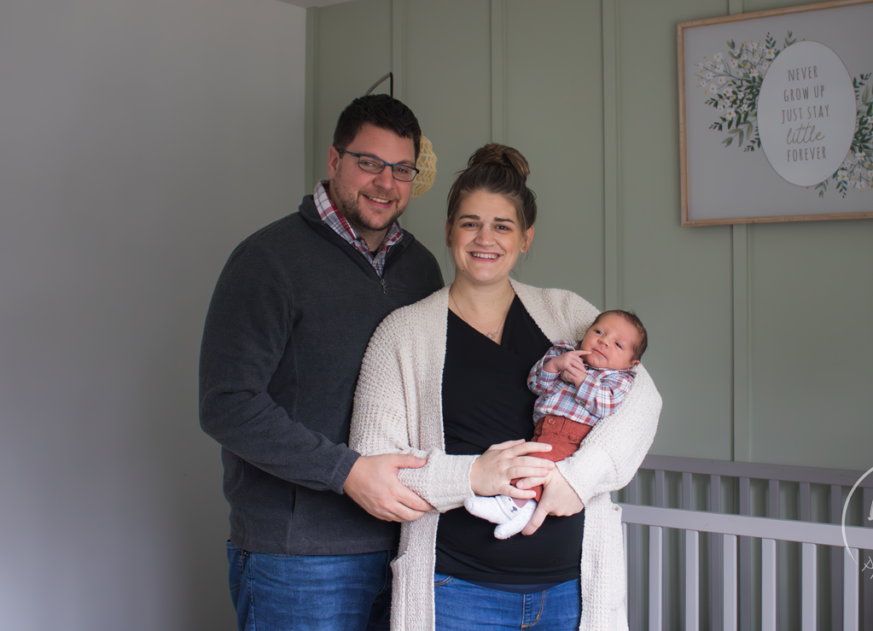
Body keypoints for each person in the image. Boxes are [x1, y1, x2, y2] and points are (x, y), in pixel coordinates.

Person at [349, 144, 662, 631]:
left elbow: (643, 400)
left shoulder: (564, 312)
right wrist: (471, 475)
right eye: (470, 222)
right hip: (456, 594)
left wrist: (576, 481)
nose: (484, 238)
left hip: (571, 593)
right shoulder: (404, 334)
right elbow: (373, 463)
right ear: (450, 229)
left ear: (526, 238)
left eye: (502, 225)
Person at [199, 94, 444, 631]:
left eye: (402, 169)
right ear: (334, 162)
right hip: (299, 557)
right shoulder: (268, 259)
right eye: (369, 163)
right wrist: (347, 472)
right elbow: (227, 405)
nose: (386, 183)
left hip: (408, 545)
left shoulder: (423, 269)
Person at [465, 309, 648, 539]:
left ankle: (510, 505)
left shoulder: (619, 378)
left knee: (537, 468)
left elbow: (605, 405)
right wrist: (554, 365)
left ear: (632, 363)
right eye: (599, 331)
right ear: (586, 332)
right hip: (545, 428)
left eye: (618, 344)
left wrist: (582, 380)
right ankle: (523, 512)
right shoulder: (564, 352)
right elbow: (535, 385)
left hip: (574, 434)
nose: (604, 341)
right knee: (525, 464)